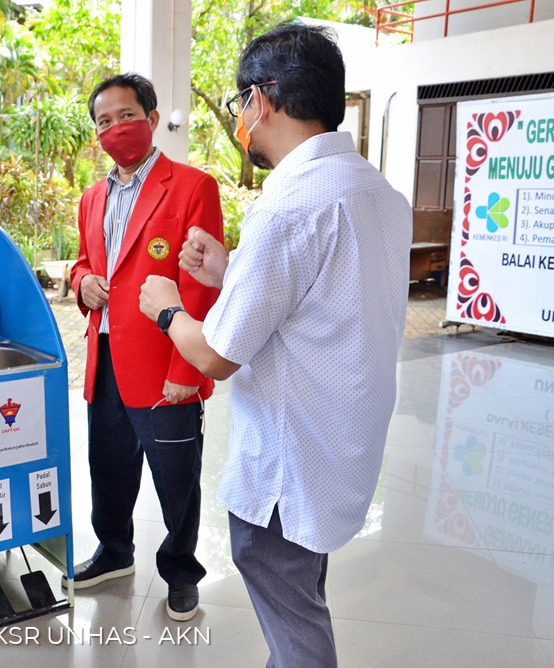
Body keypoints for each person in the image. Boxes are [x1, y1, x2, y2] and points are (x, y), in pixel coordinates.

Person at [139, 23, 412, 665]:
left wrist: (166, 307)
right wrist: (232, 267)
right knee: (300, 593)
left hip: (292, 462)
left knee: (286, 602)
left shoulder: (288, 202)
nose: (242, 124)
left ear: (261, 101)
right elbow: (322, 296)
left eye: (240, 106)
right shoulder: (377, 194)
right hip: (341, 441)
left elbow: (215, 354)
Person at [67, 72, 223, 622]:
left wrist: (187, 365)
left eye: (125, 116)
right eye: (103, 122)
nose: (115, 129)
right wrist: (81, 281)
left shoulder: (192, 187)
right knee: (107, 468)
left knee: (176, 475)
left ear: (152, 119)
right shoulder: (92, 197)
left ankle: (180, 570)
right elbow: (87, 262)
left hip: (164, 364)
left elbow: (202, 283)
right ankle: (113, 551)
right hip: (104, 358)